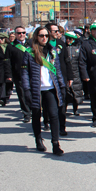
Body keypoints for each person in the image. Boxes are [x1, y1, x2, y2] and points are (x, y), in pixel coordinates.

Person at [21, 27, 65, 156]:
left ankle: (56, 144)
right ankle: (38, 140)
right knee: (36, 115)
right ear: (36, 37)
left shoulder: (52, 52)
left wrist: (62, 86)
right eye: (41, 35)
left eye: (46, 35)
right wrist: (27, 89)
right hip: (36, 88)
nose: (44, 38)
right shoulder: (29, 52)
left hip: (50, 89)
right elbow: (24, 73)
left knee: (54, 115)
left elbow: (58, 71)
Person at [46, 23, 74, 135]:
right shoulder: (44, 44)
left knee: (62, 104)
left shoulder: (61, 44)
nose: (57, 33)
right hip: (48, 80)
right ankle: (48, 120)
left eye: (58, 31)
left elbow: (67, 61)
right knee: (49, 103)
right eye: (54, 31)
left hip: (61, 78)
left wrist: (70, 77)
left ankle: (62, 126)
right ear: (48, 32)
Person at [9, 26, 32, 122]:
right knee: (22, 95)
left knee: (33, 94)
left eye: (23, 32)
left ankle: (33, 110)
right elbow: (8, 62)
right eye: (19, 33)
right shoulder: (11, 46)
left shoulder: (31, 44)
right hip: (18, 75)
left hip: (32, 74)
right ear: (15, 35)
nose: (21, 35)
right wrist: (9, 75)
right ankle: (26, 113)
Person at [64, 31, 83, 116]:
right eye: (67, 38)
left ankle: (76, 109)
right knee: (66, 92)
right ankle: (64, 108)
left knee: (76, 92)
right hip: (67, 72)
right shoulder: (64, 47)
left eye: (70, 39)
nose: (68, 40)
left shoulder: (78, 47)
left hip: (76, 73)